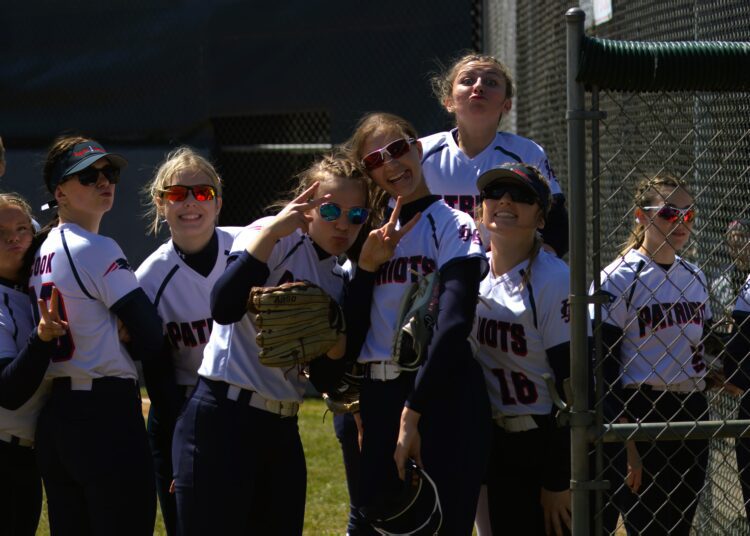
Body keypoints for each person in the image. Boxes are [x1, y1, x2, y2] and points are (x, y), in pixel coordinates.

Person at [171, 152, 390, 535]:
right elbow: (223, 306)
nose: (343, 224)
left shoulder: (339, 278)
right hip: (223, 415)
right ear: (306, 205)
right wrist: (272, 232)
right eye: (330, 210)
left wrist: (338, 333)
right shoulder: (271, 235)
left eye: (356, 215)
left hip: (282, 427)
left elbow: (326, 378)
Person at [344, 112, 491, 535]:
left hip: (440, 393)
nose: (390, 163)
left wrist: (413, 413)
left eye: (397, 148)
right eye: (375, 159)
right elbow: (351, 332)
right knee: (382, 522)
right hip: (379, 395)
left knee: (441, 524)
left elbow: (454, 321)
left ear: (418, 146)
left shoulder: (453, 223)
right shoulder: (366, 234)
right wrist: (367, 268)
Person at [29, 136, 163, 535]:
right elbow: (151, 335)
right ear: (60, 193)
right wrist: (125, 332)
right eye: (87, 176)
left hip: (58, 416)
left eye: (110, 172)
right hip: (104, 417)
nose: (103, 181)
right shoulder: (95, 247)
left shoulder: (40, 249)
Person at [593, 173, 712, 535]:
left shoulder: (695, 276)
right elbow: (603, 367)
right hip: (641, 411)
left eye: (688, 214)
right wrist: (627, 442)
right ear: (641, 216)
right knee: (646, 526)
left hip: (692, 410)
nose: (680, 222)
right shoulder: (618, 278)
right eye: (669, 213)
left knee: (679, 526)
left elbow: (707, 351)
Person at [135, 147, 242, 536]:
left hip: (248, 406)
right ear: (160, 204)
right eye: (177, 194)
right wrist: (184, 443)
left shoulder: (248, 247)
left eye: (203, 193)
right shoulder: (149, 278)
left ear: (218, 202)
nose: (191, 202)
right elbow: (157, 373)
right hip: (180, 409)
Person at [472, 163, 572, 536]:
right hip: (490, 440)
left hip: (541, 438)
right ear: (480, 208)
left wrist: (557, 478)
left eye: (521, 195)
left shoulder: (553, 279)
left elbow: (572, 386)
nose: (505, 201)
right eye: (494, 193)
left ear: (541, 218)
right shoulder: (472, 274)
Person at [421, 53, 568, 259]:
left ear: (506, 105)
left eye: (491, 82)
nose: (478, 87)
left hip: (503, 270)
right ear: (449, 102)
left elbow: (556, 223)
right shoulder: (421, 153)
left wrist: (536, 263)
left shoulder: (526, 153)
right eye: (467, 81)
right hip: (431, 266)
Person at [0, 193, 66, 536]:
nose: (13, 238)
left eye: (22, 229)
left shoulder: (28, 287)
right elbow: (8, 392)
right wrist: (41, 340)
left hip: (24, 455)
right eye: (0, 233)